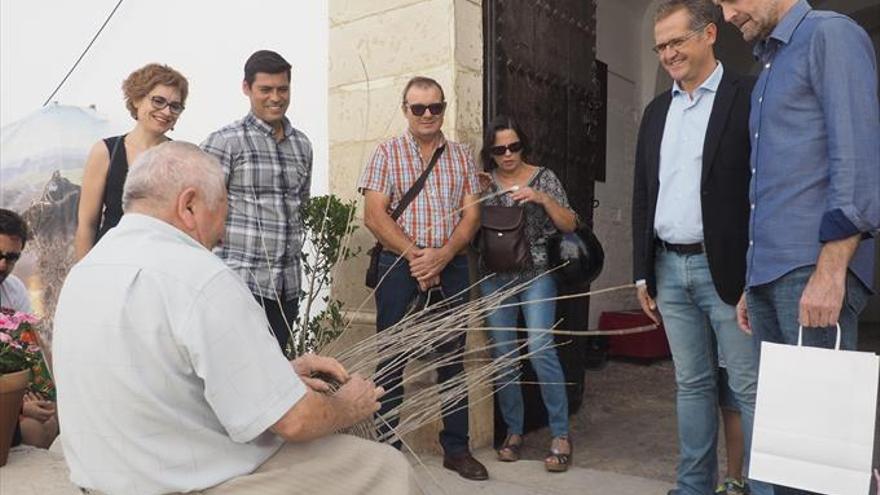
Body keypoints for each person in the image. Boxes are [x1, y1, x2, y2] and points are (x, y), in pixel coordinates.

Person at [53, 142, 417, 495]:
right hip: (185, 485)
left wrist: (278, 374)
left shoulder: (85, 271)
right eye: (224, 210)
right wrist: (346, 405)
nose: (223, 233)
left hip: (105, 478)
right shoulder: (200, 276)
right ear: (190, 205)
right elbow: (296, 421)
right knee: (385, 467)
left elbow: (153, 377)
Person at [716, 1, 880, 493]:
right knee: (784, 450)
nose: (725, 15)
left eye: (730, 0)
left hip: (811, 270)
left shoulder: (831, 36)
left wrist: (831, 271)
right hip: (770, 274)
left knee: (816, 457)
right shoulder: (767, 64)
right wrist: (752, 279)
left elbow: (856, 158)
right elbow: (769, 185)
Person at [631, 1, 766, 494]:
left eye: (676, 42)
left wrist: (757, 274)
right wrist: (642, 272)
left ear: (709, 34)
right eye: (660, 46)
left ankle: (761, 486)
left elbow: (762, 189)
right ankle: (693, 487)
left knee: (750, 388)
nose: (667, 54)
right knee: (691, 385)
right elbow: (644, 193)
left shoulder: (747, 94)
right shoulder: (656, 111)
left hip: (727, 270)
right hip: (668, 268)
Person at [358, 76, 487, 480]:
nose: (428, 114)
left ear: (444, 108)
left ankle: (457, 448)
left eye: (435, 107)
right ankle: (388, 447)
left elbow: (472, 214)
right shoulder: (386, 153)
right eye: (419, 108)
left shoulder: (462, 155)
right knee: (392, 357)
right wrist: (417, 256)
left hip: (451, 266)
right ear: (406, 110)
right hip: (399, 266)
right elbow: (374, 215)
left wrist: (444, 254)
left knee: (452, 357)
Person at [476, 116, 576, 472]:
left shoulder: (543, 176)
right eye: (499, 149)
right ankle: (514, 432)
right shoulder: (483, 182)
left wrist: (541, 198)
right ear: (490, 151)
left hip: (536, 275)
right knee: (504, 357)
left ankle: (560, 433)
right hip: (494, 276)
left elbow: (570, 223)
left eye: (513, 146)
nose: (507, 154)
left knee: (540, 347)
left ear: (523, 145)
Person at [202, 50, 312, 351]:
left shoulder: (303, 145)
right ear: (247, 88)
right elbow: (199, 213)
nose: (275, 97)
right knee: (235, 379)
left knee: (277, 382)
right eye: (266, 89)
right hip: (239, 284)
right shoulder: (225, 142)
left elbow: (300, 205)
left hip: (287, 288)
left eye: (283, 89)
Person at [74, 63, 188, 260]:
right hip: (109, 260)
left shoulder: (181, 157)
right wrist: (82, 276)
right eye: (158, 101)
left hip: (159, 263)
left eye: (175, 106)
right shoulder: (105, 151)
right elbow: (87, 224)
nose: (166, 111)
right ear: (137, 100)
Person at [0, 208, 59, 449]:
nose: (3, 264)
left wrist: (44, 395)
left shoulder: (13, 289)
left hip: (12, 390)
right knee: (33, 430)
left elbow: (32, 347)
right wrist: (20, 405)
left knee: (50, 419)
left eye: (12, 257)